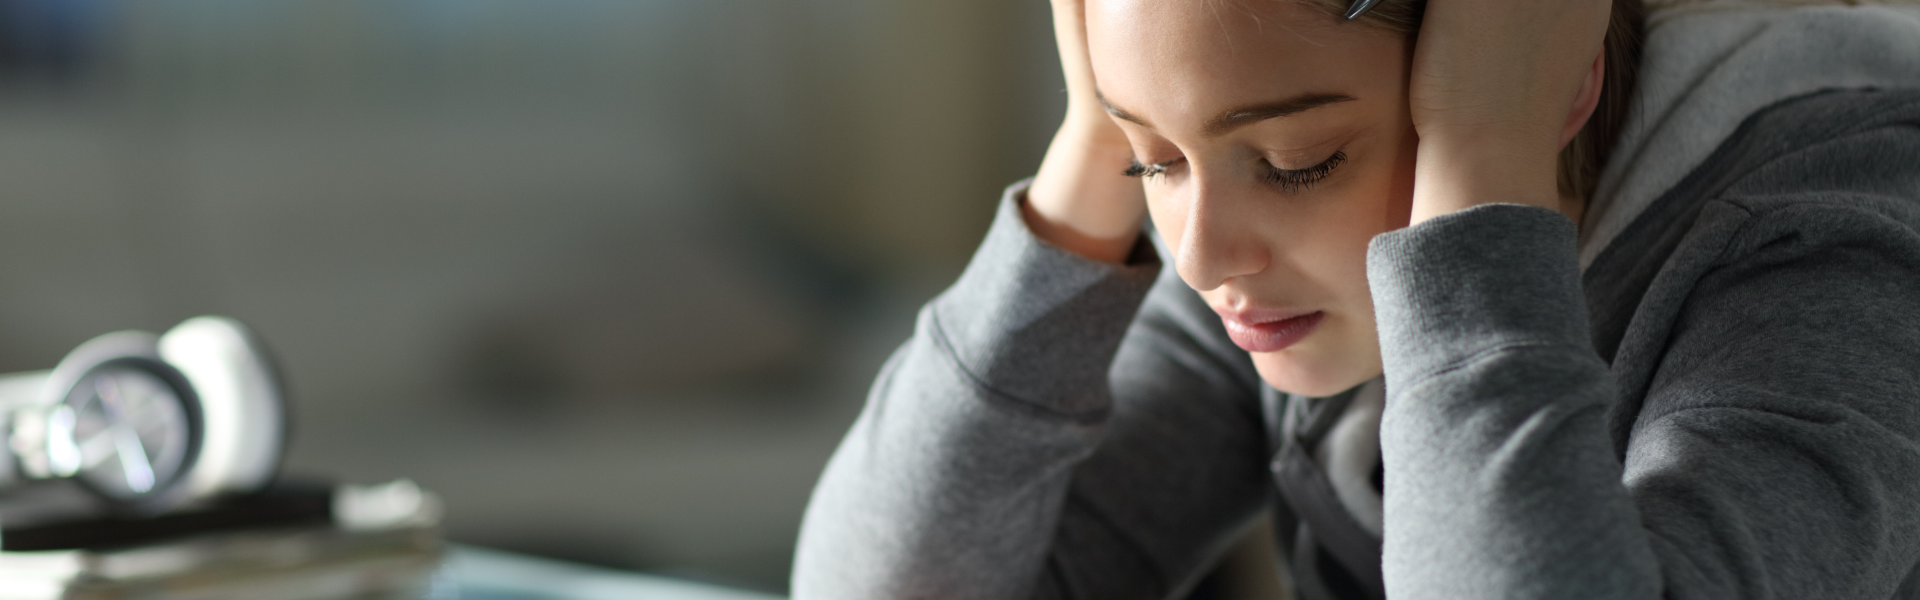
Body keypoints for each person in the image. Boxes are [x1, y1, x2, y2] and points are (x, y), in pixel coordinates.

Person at [791, 0, 1920, 596]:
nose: (1198, 257)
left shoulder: (1833, 248)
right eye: (1157, 163)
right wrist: (1094, 146)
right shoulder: (1264, 266)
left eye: (1296, 158)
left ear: (1555, 81)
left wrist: (1482, 161)